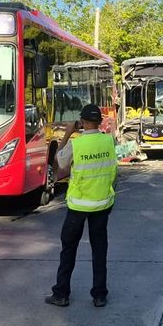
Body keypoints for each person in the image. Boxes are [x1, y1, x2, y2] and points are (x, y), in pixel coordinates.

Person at [46, 104, 117, 308]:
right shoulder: (108, 141)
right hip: (102, 204)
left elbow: (59, 162)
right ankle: (99, 296)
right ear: (100, 122)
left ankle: (61, 294)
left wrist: (68, 133)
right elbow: (113, 171)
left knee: (68, 249)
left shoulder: (76, 144)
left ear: (82, 122)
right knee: (99, 250)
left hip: (78, 207)